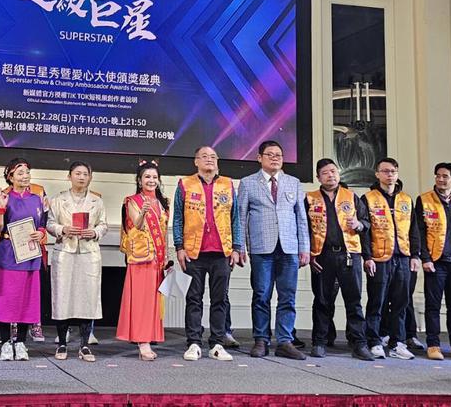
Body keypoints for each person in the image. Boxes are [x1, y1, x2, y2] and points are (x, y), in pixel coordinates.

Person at [237, 141, 309, 360]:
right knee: (261, 295)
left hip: (289, 248)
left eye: (279, 154)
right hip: (261, 247)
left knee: (288, 296)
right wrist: (240, 246)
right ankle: (261, 339)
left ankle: (285, 341)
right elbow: (240, 217)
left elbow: (301, 217)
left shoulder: (293, 182)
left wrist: (304, 247)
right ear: (259, 158)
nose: (275, 158)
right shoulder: (248, 183)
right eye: (270, 154)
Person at [172, 146, 243, 362]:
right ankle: (194, 342)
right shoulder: (185, 184)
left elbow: (235, 218)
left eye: (213, 156)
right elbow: (178, 218)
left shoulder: (228, 184)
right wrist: (179, 247)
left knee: (220, 299)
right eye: (204, 156)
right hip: (194, 252)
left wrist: (236, 247)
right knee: (194, 298)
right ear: (196, 161)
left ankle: (217, 344)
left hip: (222, 252)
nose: (209, 159)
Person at [305, 158, 373, 361]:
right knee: (322, 301)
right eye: (325, 172)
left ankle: (359, 344)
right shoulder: (310, 198)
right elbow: (303, 228)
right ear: (318, 177)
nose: (330, 175)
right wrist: (309, 254)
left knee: (354, 301)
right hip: (322, 255)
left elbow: (367, 223)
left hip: (349, 254)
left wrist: (359, 224)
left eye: (333, 171)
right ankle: (319, 342)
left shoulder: (351, 197)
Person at [0, 158, 47, 361]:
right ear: (10, 177)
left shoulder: (37, 199)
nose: (25, 176)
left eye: (27, 172)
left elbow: (42, 223)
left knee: (26, 299)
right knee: (5, 299)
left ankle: (20, 342)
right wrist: (1, 209)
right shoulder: (3, 197)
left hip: (29, 255)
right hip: (8, 254)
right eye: (20, 173)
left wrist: (40, 232)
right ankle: (5, 343)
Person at [361, 157, 421, 360]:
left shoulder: (406, 200)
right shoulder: (368, 198)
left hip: (403, 257)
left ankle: (398, 343)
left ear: (397, 174)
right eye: (385, 171)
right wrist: (367, 257)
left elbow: (414, 230)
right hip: (379, 258)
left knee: (401, 303)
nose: (389, 175)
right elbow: (365, 231)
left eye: (393, 171)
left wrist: (415, 255)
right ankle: (374, 341)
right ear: (377, 174)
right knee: (377, 302)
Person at [47, 161, 106, 362]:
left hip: (89, 253)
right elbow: (50, 223)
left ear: (90, 177)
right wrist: (62, 229)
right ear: (69, 176)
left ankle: (84, 345)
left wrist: (95, 232)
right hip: (65, 251)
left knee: (88, 298)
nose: (81, 177)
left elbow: (103, 225)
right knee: (62, 297)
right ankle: (62, 343)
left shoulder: (97, 201)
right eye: (77, 173)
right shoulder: (58, 199)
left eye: (85, 174)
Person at [413, 162, 451, 360]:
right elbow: (420, 231)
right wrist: (425, 258)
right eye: (438, 175)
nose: (440, 179)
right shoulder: (424, 199)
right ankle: (433, 344)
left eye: (445, 176)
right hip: (435, 261)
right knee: (433, 305)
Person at [116, 161, 169, 360]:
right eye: (147, 177)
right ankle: (142, 342)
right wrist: (144, 211)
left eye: (154, 177)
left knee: (153, 302)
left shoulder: (163, 203)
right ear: (139, 180)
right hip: (141, 257)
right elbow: (137, 225)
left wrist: (167, 257)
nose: (151, 180)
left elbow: (164, 232)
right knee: (141, 301)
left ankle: (149, 337)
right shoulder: (133, 201)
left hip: (157, 259)